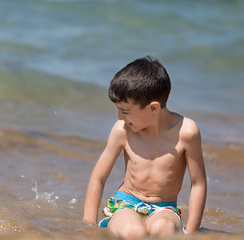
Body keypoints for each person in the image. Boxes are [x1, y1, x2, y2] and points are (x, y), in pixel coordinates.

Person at [83, 56, 207, 239]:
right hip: (125, 204)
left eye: (125, 111)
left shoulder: (186, 132)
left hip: (164, 208)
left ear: (153, 109)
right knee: (134, 233)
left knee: (163, 231)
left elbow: (198, 184)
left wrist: (192, 232)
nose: (119, 118)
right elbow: (98, 177)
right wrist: (88, 225)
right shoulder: (123, 130)